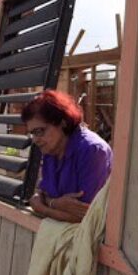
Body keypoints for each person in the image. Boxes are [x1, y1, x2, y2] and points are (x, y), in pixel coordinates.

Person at [21, 89, 112, 223]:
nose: (35, 140)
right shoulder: (51, 150)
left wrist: (44, 208)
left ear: (62, 122)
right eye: (32, 134)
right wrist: (55, 203)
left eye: (39, 131)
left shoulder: (92, 150)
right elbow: (43, 194)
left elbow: (87, 217)